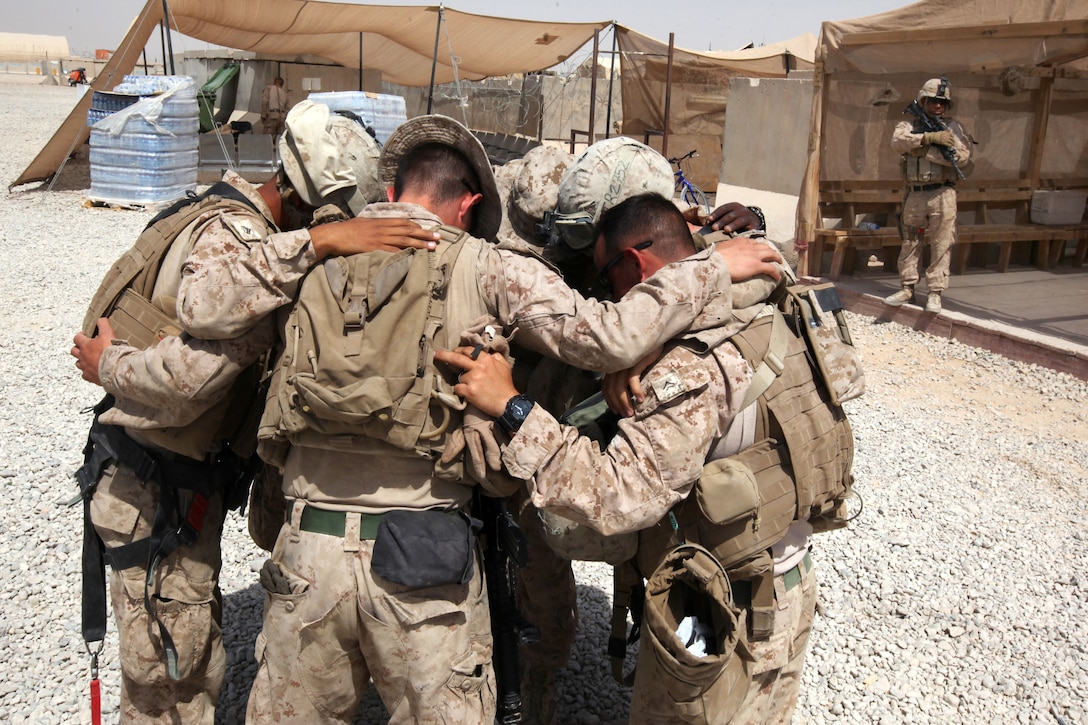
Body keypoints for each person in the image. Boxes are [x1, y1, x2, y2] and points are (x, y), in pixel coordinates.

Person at [198, 113, 782, 724]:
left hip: (304, 544)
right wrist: (713, 266)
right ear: (470, 204)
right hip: (422, 552)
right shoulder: (491, 268)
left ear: (392, 192)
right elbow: (609, 335)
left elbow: (205, 305)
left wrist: (317, 241)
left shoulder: (312, 254)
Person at [70, 100, 434, 725]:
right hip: (154, 491)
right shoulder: (245, 247)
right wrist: (108, 366)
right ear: (303, 201)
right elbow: (190, 378)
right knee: (173, 679)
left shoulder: (223, 211)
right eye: (334, 217)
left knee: (177, 651)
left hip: (165, 481)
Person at [437, 192, 829, 725]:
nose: (608, 300)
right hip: (788, 580)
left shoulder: (689, 368)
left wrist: (512, 408)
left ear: (636, 265)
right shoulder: (765, 297)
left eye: (606, 280)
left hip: (723, 606)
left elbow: (618, 496)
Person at [490, 137, 775, 724]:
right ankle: (539, 669)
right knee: (537, 539)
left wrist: (659, 338)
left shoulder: (680, 246)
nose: (573, 253)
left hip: (656, 476)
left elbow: (762, 270)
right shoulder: (540, 257)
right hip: (568, 425)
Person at [885, 77, 973, 314]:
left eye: (942, 103)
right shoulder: (908, 126)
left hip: (943, 192)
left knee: (941, 243)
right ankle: (907, 287)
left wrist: (927, 151)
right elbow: (897, 142)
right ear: (923, 101)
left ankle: (934, 293)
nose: (937, 106)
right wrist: (927, 139)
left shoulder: (953, 128)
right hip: (915, 193)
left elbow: (962, 158)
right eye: (933, 101)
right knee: (910, 241)